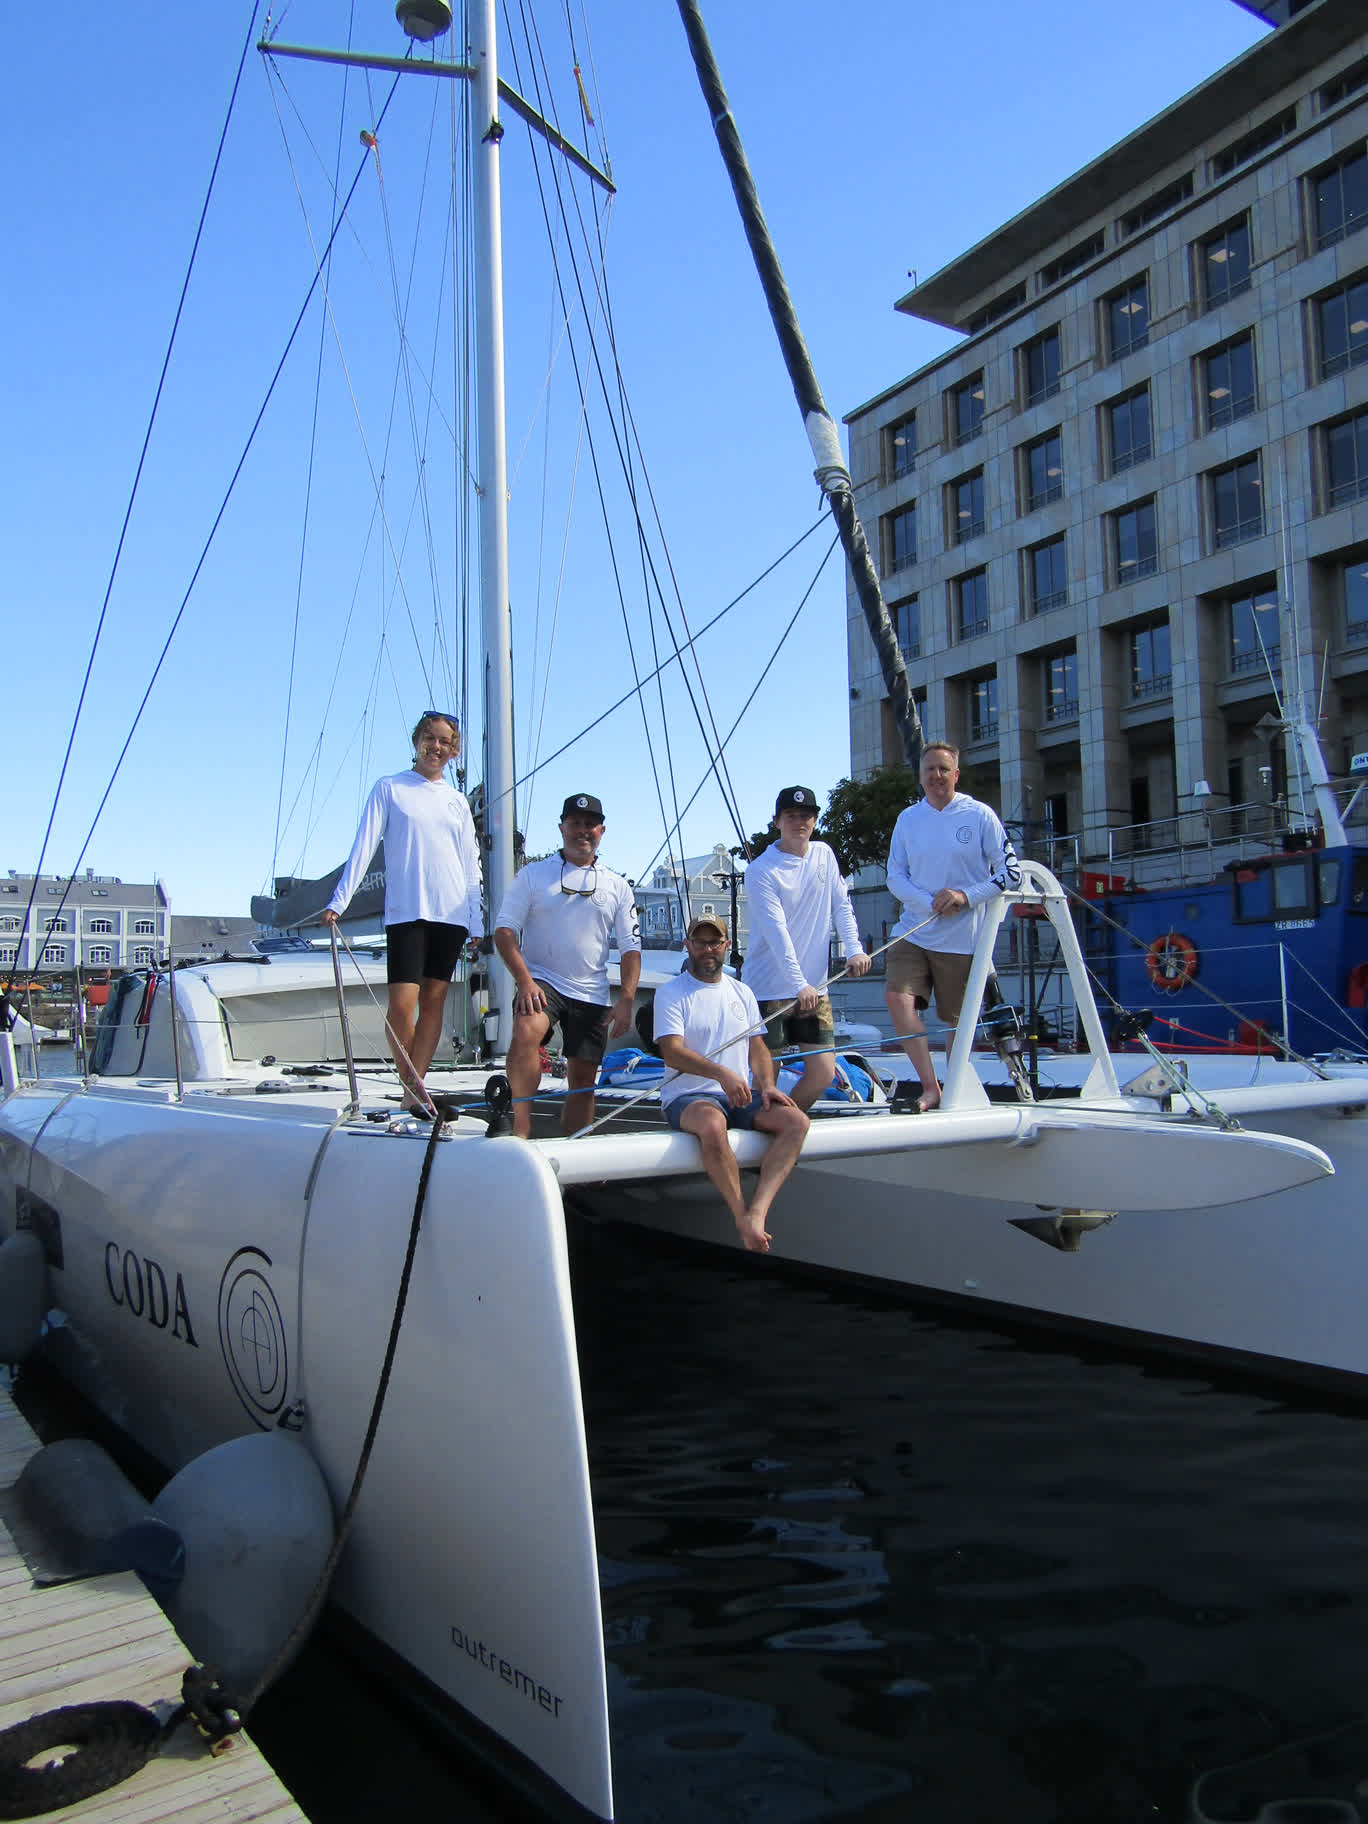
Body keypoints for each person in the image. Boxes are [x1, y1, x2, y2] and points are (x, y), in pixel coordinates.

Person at [322, 711, 483, 1113]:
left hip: (451, 914)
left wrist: (476, 920)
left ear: (454, 751)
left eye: (445, 741)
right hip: (406, 913)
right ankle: (412, 1084)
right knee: (400, 1007)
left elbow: (471, 865)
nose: (436, 746)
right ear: (416, 741)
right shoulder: (390, 788)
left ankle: (414, 1092)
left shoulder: (456, 802)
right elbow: (363, 847)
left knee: (434, 1003)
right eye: (430, 738)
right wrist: (339, 901)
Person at [654, 914, 809, 1254]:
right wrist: (722, 1075)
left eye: (715, 942)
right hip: (688, 1096)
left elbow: (758, 1048)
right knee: (713, 1125)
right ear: (688, 946)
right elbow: (672, 1053)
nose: (708, 949)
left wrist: (767, 1084)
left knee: (796, 1122)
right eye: (700, 942)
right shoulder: (671, 994)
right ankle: (740, 1216)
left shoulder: (742, 992)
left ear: (726, 945)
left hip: (738, 1096)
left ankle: (758, 1212)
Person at [494, 793, 641, 1138]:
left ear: (601, 831)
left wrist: (627, 999)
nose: (582, 831)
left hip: (592, 990)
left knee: (584, 1079)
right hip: (542, 980)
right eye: (575, 823)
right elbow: (504, 932)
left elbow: (631, 949)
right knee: (526, 1030)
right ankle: (519, 1131)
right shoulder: (532, 875)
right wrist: (524, 981)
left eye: (590, 824)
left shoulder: (618, 886)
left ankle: (575, 1143)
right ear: (561, 827)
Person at [884, 741, 1021, 1110]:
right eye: (930, 769)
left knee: (956, 1023)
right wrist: (926, 902)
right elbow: (895, 875)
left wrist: (965, 896)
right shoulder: (908, 819)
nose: (936, 776)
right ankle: (931, 1088)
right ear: (920, 776)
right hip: (913, 930)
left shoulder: (980, 815)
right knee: (897, 998)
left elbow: (1011, 873)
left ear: (956, 774)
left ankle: (956, 1087)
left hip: (963, 939)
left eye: (944, 769)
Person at [742, 785, 871, 1111]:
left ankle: (783, 1127)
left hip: (814, 988)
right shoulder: (760, 871)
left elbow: (841, 905)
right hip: (768, 990)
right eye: (791, 816)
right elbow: (777, 932)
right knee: (766, 1078)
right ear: (777, 822)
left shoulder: (824, 855)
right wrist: (798, 983)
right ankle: (764, 1126)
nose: (799, 822)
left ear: (814, 821)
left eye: (806, 816)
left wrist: (854, 949)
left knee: (823, 1072)